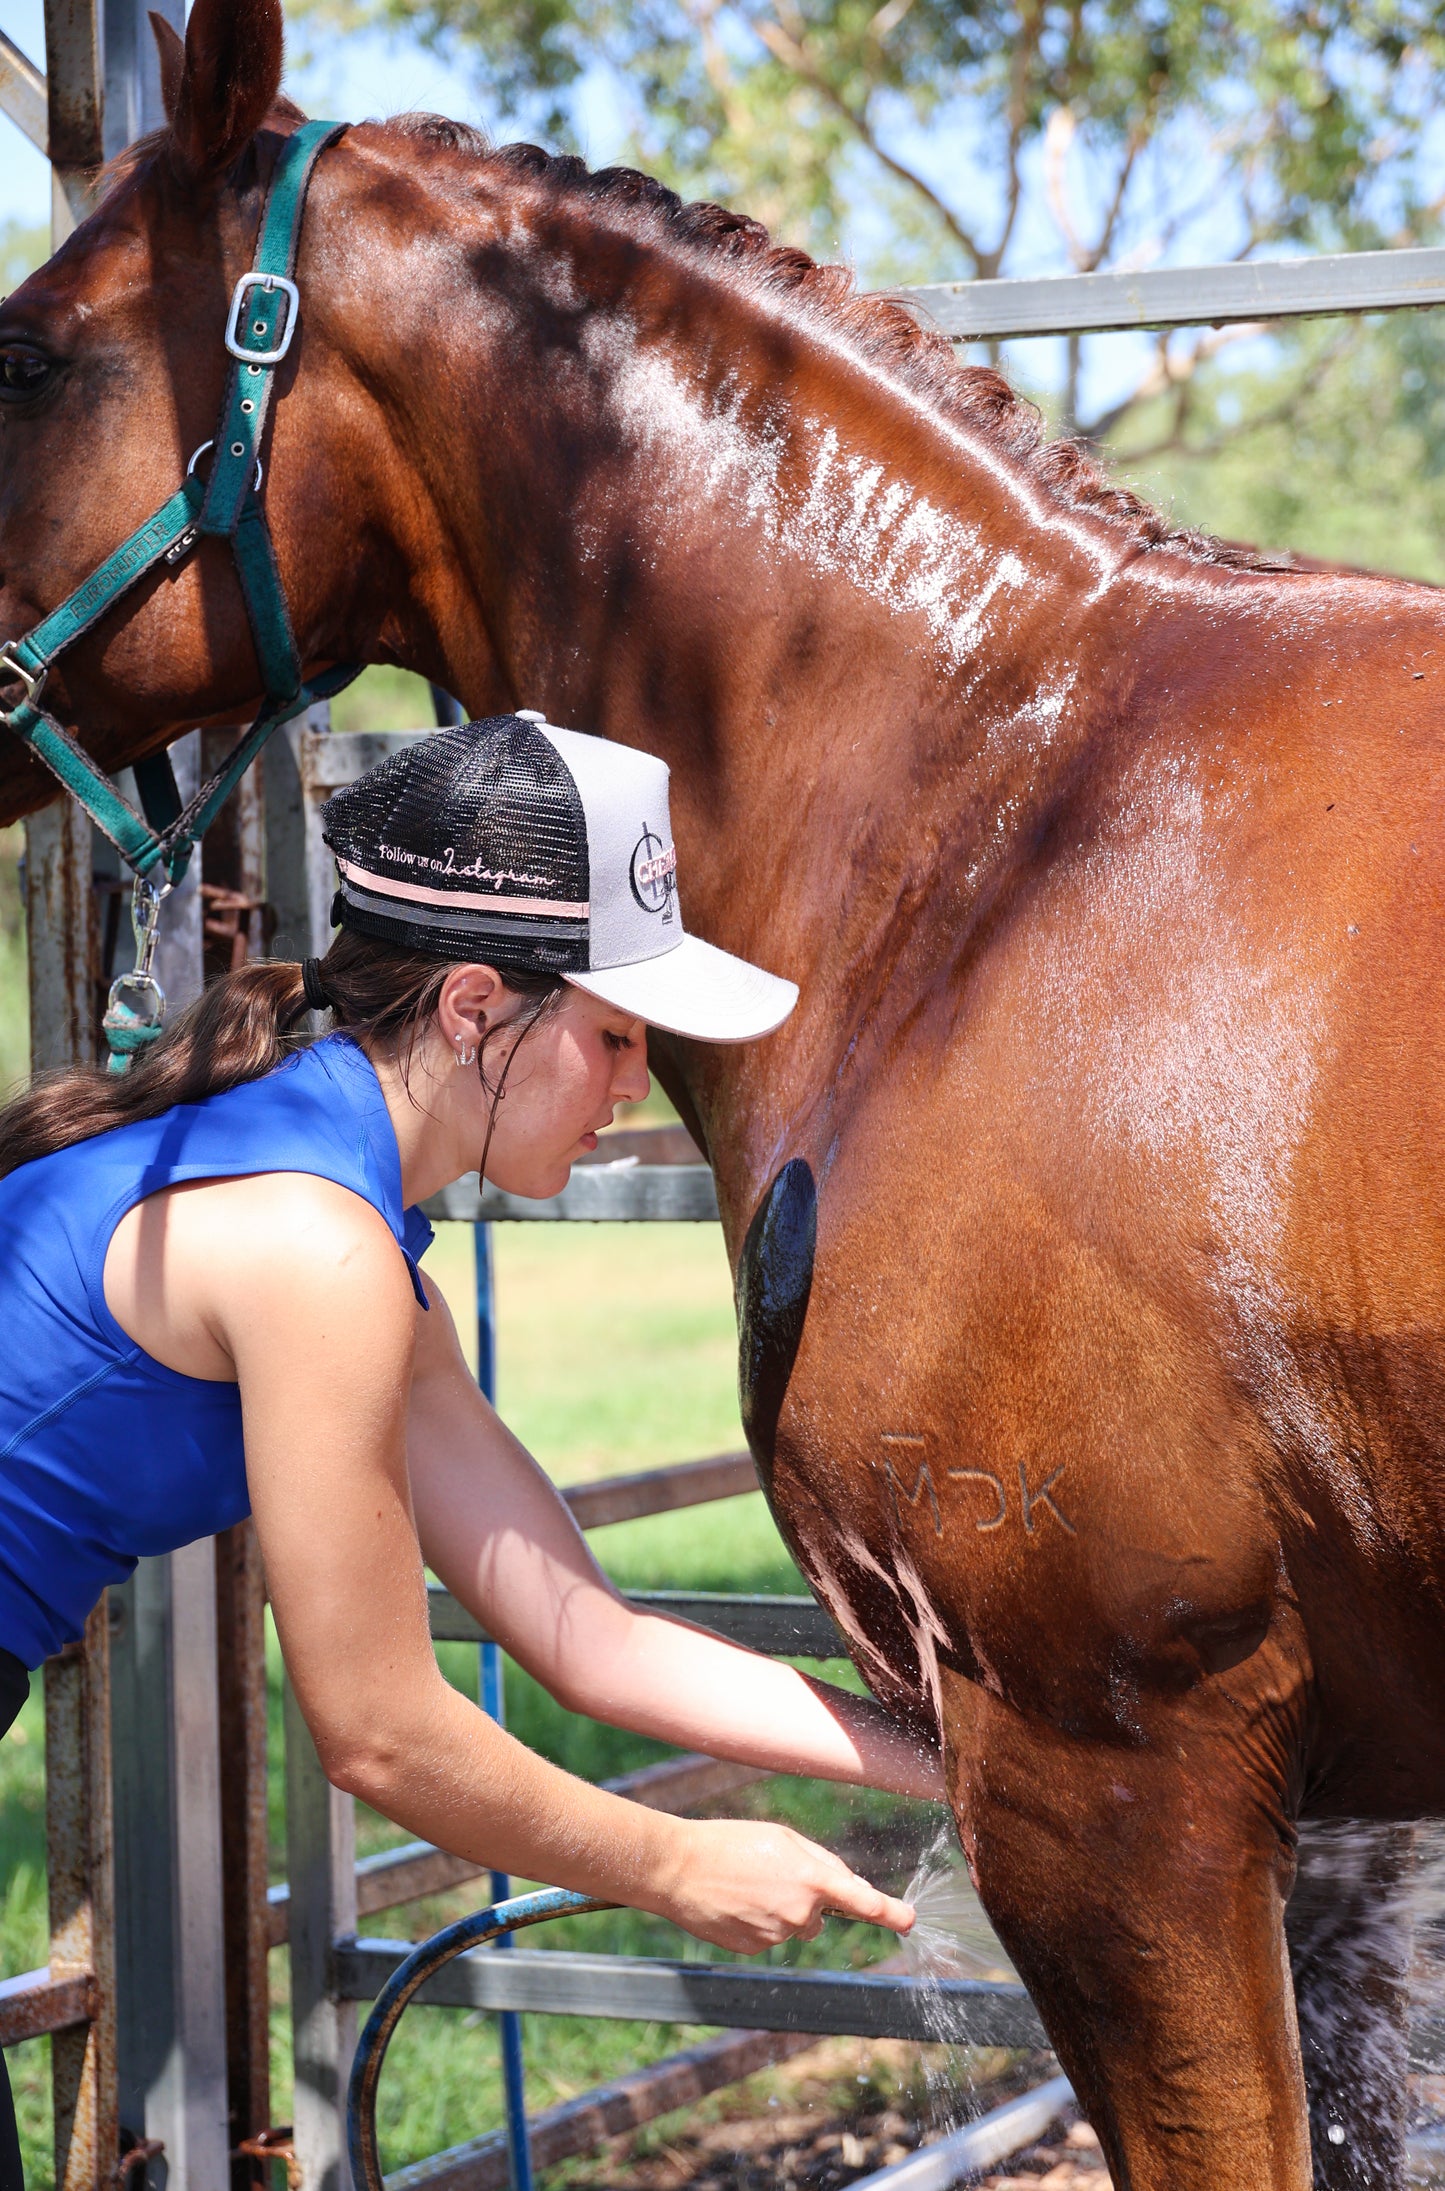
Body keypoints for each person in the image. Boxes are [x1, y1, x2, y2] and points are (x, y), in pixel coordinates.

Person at [0, 712, 942, 2186]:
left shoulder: (357, 1246)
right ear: (472, 1007)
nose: (636, 1087)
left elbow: (589, 1638)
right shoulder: (315, 1252)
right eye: (614, 1035)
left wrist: (976, 1770)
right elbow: (377, 1732)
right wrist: (674, 1861)